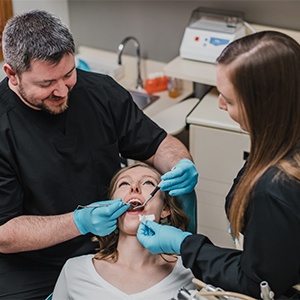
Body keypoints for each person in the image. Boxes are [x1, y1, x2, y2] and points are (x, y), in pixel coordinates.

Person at [0, 10, 198, 299]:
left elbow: (159, 144)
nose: (61, 91)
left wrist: (182, 163)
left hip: (107, 245)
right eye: (46, 84)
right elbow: (3, 234)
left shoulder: (100, 93)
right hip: (31, 265)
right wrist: (79, 222)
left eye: (68, 75)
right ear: (12, 75)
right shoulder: (3, 128)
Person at [137, 31, 300, 299]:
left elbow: (258, 283)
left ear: (263, 106)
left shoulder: (276, 189)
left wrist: (185, 244)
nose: (221, 104)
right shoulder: (280, 135)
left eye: (230, 99)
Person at [52, 162, 196, 299]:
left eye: (148, 183)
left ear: (165, 209)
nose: (134, 188)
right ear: (109, 206)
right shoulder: (74, 270)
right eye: (124, 184)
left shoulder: (190, 273)